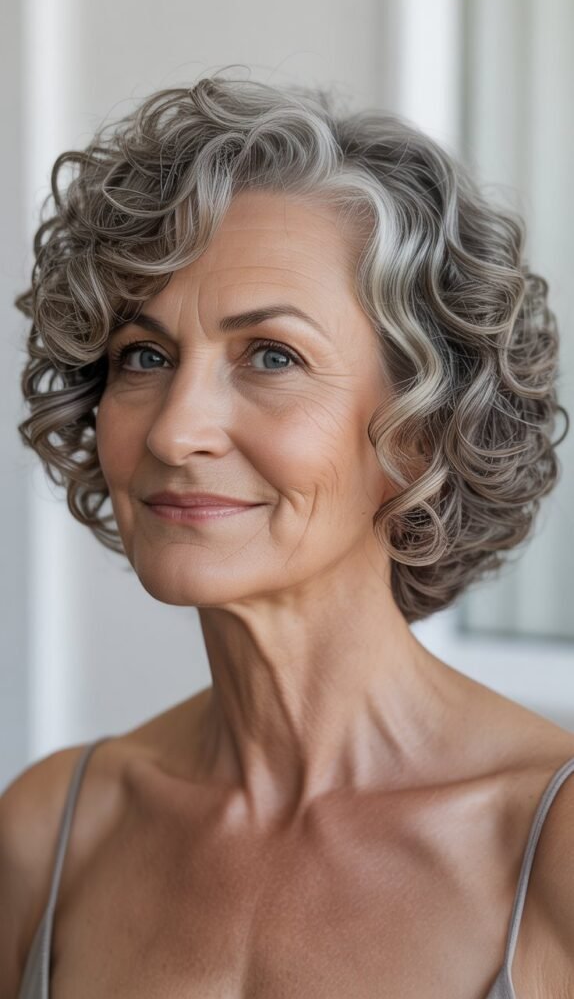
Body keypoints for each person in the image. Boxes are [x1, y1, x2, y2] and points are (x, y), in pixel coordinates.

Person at [1, 71, 573, 999]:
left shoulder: (550, 850)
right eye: (143, 356)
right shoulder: (54, 832)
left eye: (272, 356)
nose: (175, 430)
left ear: (425, 426)